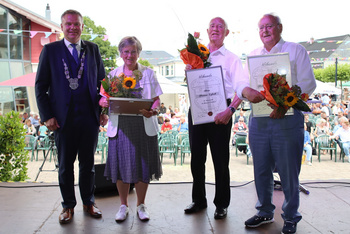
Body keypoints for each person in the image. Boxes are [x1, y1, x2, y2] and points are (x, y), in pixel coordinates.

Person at [239, 14, 316, 233]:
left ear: (279, 28)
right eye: (261, 27)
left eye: (269, 26)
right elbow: (243, 82)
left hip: (287, 119)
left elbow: (307, 83)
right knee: (261, 168)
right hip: (259, 120)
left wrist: (285, 104)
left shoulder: (296, 50)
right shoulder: (253, 55)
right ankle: (264, 211)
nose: (264, 31)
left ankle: (291, 215)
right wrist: (246, 91)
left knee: (288, 171)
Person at [35, 9, 106, 224]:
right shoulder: (50, 50)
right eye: (68, 24)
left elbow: (103, 84)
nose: (73, 28)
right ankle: (68, 206)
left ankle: (88, 201)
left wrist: (103, 111)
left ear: (83, 27)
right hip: (62, 119)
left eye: (77, 24)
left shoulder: (93, 49)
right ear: (62, 27)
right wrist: (47, 116)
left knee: (88, 165)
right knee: (65, 166)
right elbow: (40, 87)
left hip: (89, 118)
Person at [184, 17, 246, 220]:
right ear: (207, 30)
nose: (215, 29)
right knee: (197, 159)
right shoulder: (196, 55)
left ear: (227, 33)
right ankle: (199, 200)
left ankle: (221, 204)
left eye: (220, 27)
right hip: (198, 109)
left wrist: (230, 110)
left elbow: (241, 88)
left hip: (221, 112)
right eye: (212, 26)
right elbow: (191, 82)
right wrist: (189, 72)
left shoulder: (232, 59)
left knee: (220, 161)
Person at [99, 36, 162, 222]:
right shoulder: (113, 75)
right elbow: (102, 98)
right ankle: (123, 205)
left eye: (133, 51)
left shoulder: (149, 73)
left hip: (143, 124)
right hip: (120, 127)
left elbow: (157, 99)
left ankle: (141, 205)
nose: (130, 55)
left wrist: (154, 109)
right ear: (120, 54)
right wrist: (104, 101)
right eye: (126, 52)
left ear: (138, 53)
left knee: (142, 167)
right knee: (121, 167)